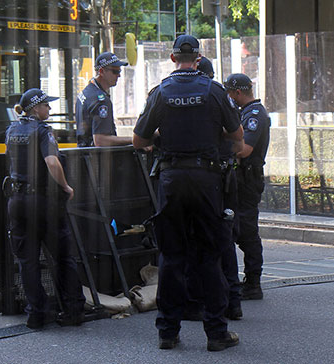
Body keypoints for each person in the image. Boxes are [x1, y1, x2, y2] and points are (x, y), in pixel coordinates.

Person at [133, 35, 243, 352]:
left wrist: (162, 135)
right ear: (198, 58)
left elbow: (139, 141)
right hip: (207, 178)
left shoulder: (160, 92)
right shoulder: (214, 90)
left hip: (171, 178)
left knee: (171, 256)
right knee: (209, 255)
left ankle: (168, 332)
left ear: (171, 58)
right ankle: (217, 333)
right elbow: (237, 138)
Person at [5, 88, 86, 329]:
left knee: (27, 261)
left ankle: (36, 315)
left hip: (17, 201)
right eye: (46, 106)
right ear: (35, 108)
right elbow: (52, 161)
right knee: (62, 256)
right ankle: (72, 310)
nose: (49, 109)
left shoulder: (12, 130)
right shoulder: (42, 131)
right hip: (42, 201)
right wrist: (66, 186)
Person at [197, 57, 243, 320]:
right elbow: (236, 138)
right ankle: (232, 301)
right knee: (224, 240)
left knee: (214, 241)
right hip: (222, 175)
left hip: (211, 177)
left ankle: (218, 301)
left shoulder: (204, 96)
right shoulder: (219, 97)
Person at [224, 73, 271, 300]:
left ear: (238, 93)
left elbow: (244, 150)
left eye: (230, 93)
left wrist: (220, 144)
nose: (229, 97)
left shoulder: (254, 115)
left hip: (248, 179)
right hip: (240, 178)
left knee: (248, 231)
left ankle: (253, 283)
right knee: (235, 228)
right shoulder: (244, 113)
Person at [75, 52, 132, 147]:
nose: (119, 75)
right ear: (101, 72)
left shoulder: (86, 92)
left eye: (119, 71)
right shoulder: (101, 101)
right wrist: (133, 140)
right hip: (98, 159)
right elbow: (100, 141)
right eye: (115, 72)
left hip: (84, 155)